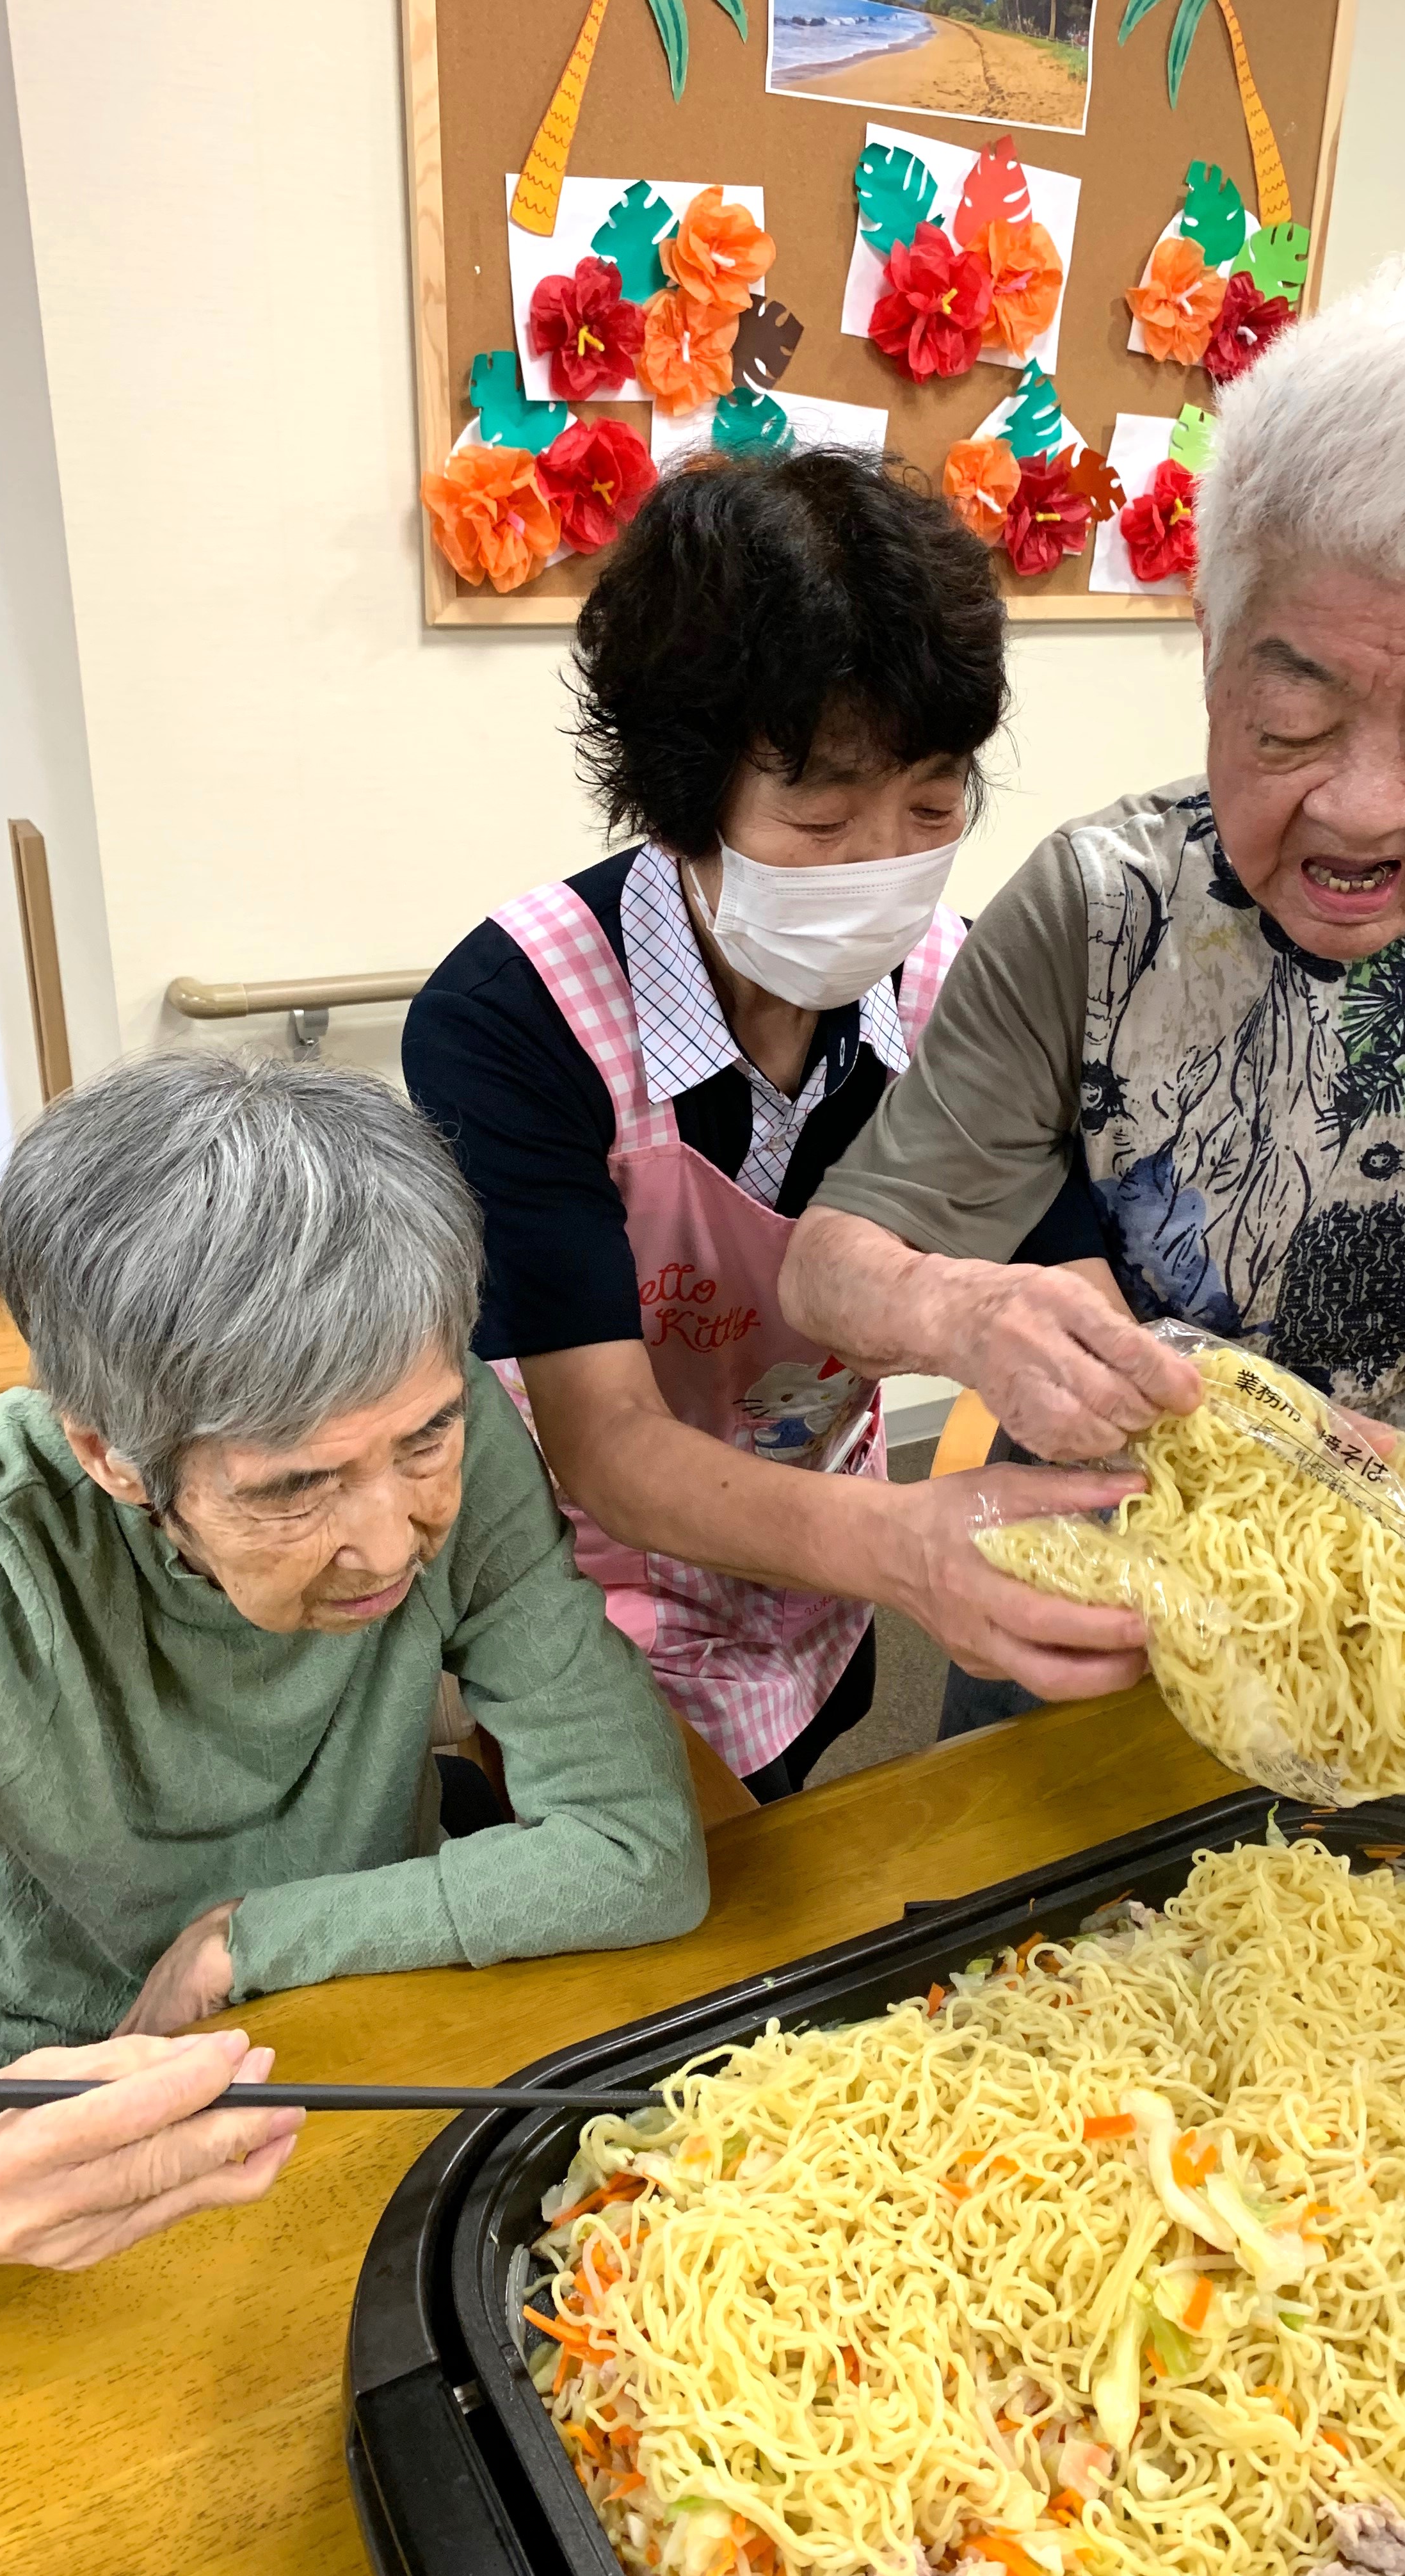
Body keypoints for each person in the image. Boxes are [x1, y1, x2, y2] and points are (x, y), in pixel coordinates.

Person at [780, 259, 1405, 1678]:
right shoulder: (1097, 903)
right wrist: (961, 1313)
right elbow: (832, 1266)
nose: (1365, 808)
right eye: (1294, 717)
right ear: (1212, 653)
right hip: (1118, 1551)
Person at [0, 1052, 707, 2273]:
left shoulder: (454, 1421)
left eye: (422, 1436)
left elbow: (639, 1851)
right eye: (294, 1486)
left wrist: (244, 1936)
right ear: (109, 1454)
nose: (389, 1542)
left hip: (316, 2027)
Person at [403, 451, 1152, 1801]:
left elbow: (1064, 1261)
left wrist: (1125, 1388)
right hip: (601, 1581)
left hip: (827, 1533)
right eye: (820, 819)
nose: (885, 869)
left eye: (931, 808)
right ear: (690, 808)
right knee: (627, 1882)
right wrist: (911, 1547)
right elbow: (609, 1446)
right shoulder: (514, 1019)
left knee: (808, 1836)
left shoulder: (951, 988)